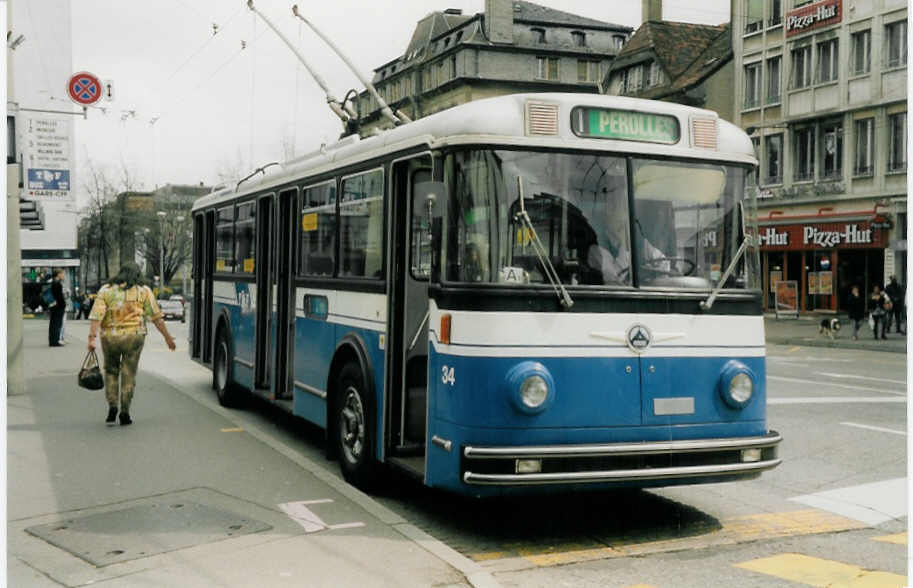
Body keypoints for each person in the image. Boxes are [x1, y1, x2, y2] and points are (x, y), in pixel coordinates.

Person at [87, 262, 177, 426]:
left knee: (111, 371)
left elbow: (96, 315)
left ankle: (112, 404)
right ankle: (125, 412)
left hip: (110, 337)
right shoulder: (144, 291)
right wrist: (167, 337)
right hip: (134, 337)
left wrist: (92, 338)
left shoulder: (106, 290)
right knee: (129, 373)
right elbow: (156, 317)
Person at [48, 269, 66, 347]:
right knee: (57, 324)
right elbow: (59, 297)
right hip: (58, 307)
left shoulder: (53, 283)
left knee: (53, 323)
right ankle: (55, 341)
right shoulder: (57, 283)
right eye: (62, 274)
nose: (63, 275)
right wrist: (63, 304)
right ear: (58, 274)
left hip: (53, 306)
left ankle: (52, 340)